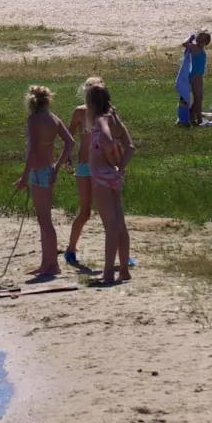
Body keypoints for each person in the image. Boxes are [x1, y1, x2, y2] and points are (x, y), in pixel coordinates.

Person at [14, 85, 76, 279]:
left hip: (38, 172)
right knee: (44, 220)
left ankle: (53, 265)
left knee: (45, 221)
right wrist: (57, 167)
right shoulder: (53, 118)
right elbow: (70, 142)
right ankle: (45, 263)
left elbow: (32, 150)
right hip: (47, 171)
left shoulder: (33, 120)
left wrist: (24, 177)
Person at [86, 83, 135, 285]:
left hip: (101, 175)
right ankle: (123, 269)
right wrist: (120, 167)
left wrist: (108, 155)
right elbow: (130, 146)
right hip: (114, 175)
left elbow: (106, 139)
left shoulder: (100, 119)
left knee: (111, 225)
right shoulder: (115, 117)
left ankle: (108, 272)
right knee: (120, 223)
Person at [64, 76, 104, 267]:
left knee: (109, 212)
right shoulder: (80, 112)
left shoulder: (108, 112)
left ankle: (121, 252)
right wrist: (66, 157)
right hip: (84, 165)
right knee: (85, 211)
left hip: (103, 165)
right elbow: (68, 136)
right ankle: (70, 249)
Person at [182, 30, 212, 125]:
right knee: (198, 97)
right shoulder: (195, 48)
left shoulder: (199, 48)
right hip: (195, 75)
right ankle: (199, 119)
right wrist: (190, 37)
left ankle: (192, 114)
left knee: (199, 97)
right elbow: (185, 43)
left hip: (198, 75)